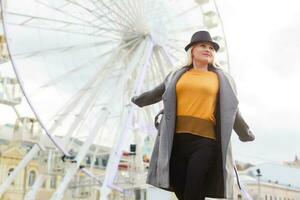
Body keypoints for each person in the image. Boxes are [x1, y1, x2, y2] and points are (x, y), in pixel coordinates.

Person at [131, 30, 255, 200]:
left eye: (211, 47)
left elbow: (232, 109)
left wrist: (245, 133)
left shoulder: (221, 79)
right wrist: (138, 100)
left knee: (194, 187)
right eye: (203, 46)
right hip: (175, 142)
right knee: (182, 191)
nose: (208, 49)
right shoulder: (177, 75)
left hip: (205, 142)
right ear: (192, 51)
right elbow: (157, 92)